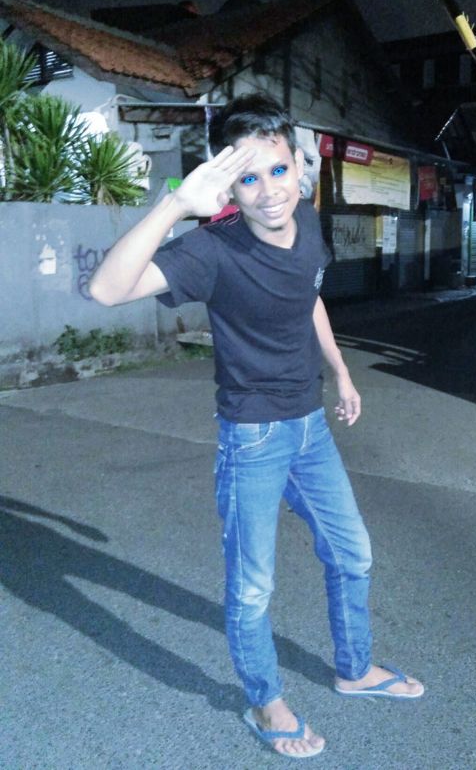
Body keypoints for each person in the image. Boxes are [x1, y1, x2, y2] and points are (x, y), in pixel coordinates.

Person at [89, 93, 423, 759]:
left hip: (310, 427)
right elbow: (106, 290)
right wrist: (176, 204)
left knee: (352, 552)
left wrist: (340, 370)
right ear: (227, 186)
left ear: (297, 165)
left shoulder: (308, 218)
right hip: (254, 438)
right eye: (247, 178)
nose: (269, 191)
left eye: (277, 170)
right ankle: (266, 701)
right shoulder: (211, 251)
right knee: (252, 586)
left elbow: (309, 296)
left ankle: (354, 670)